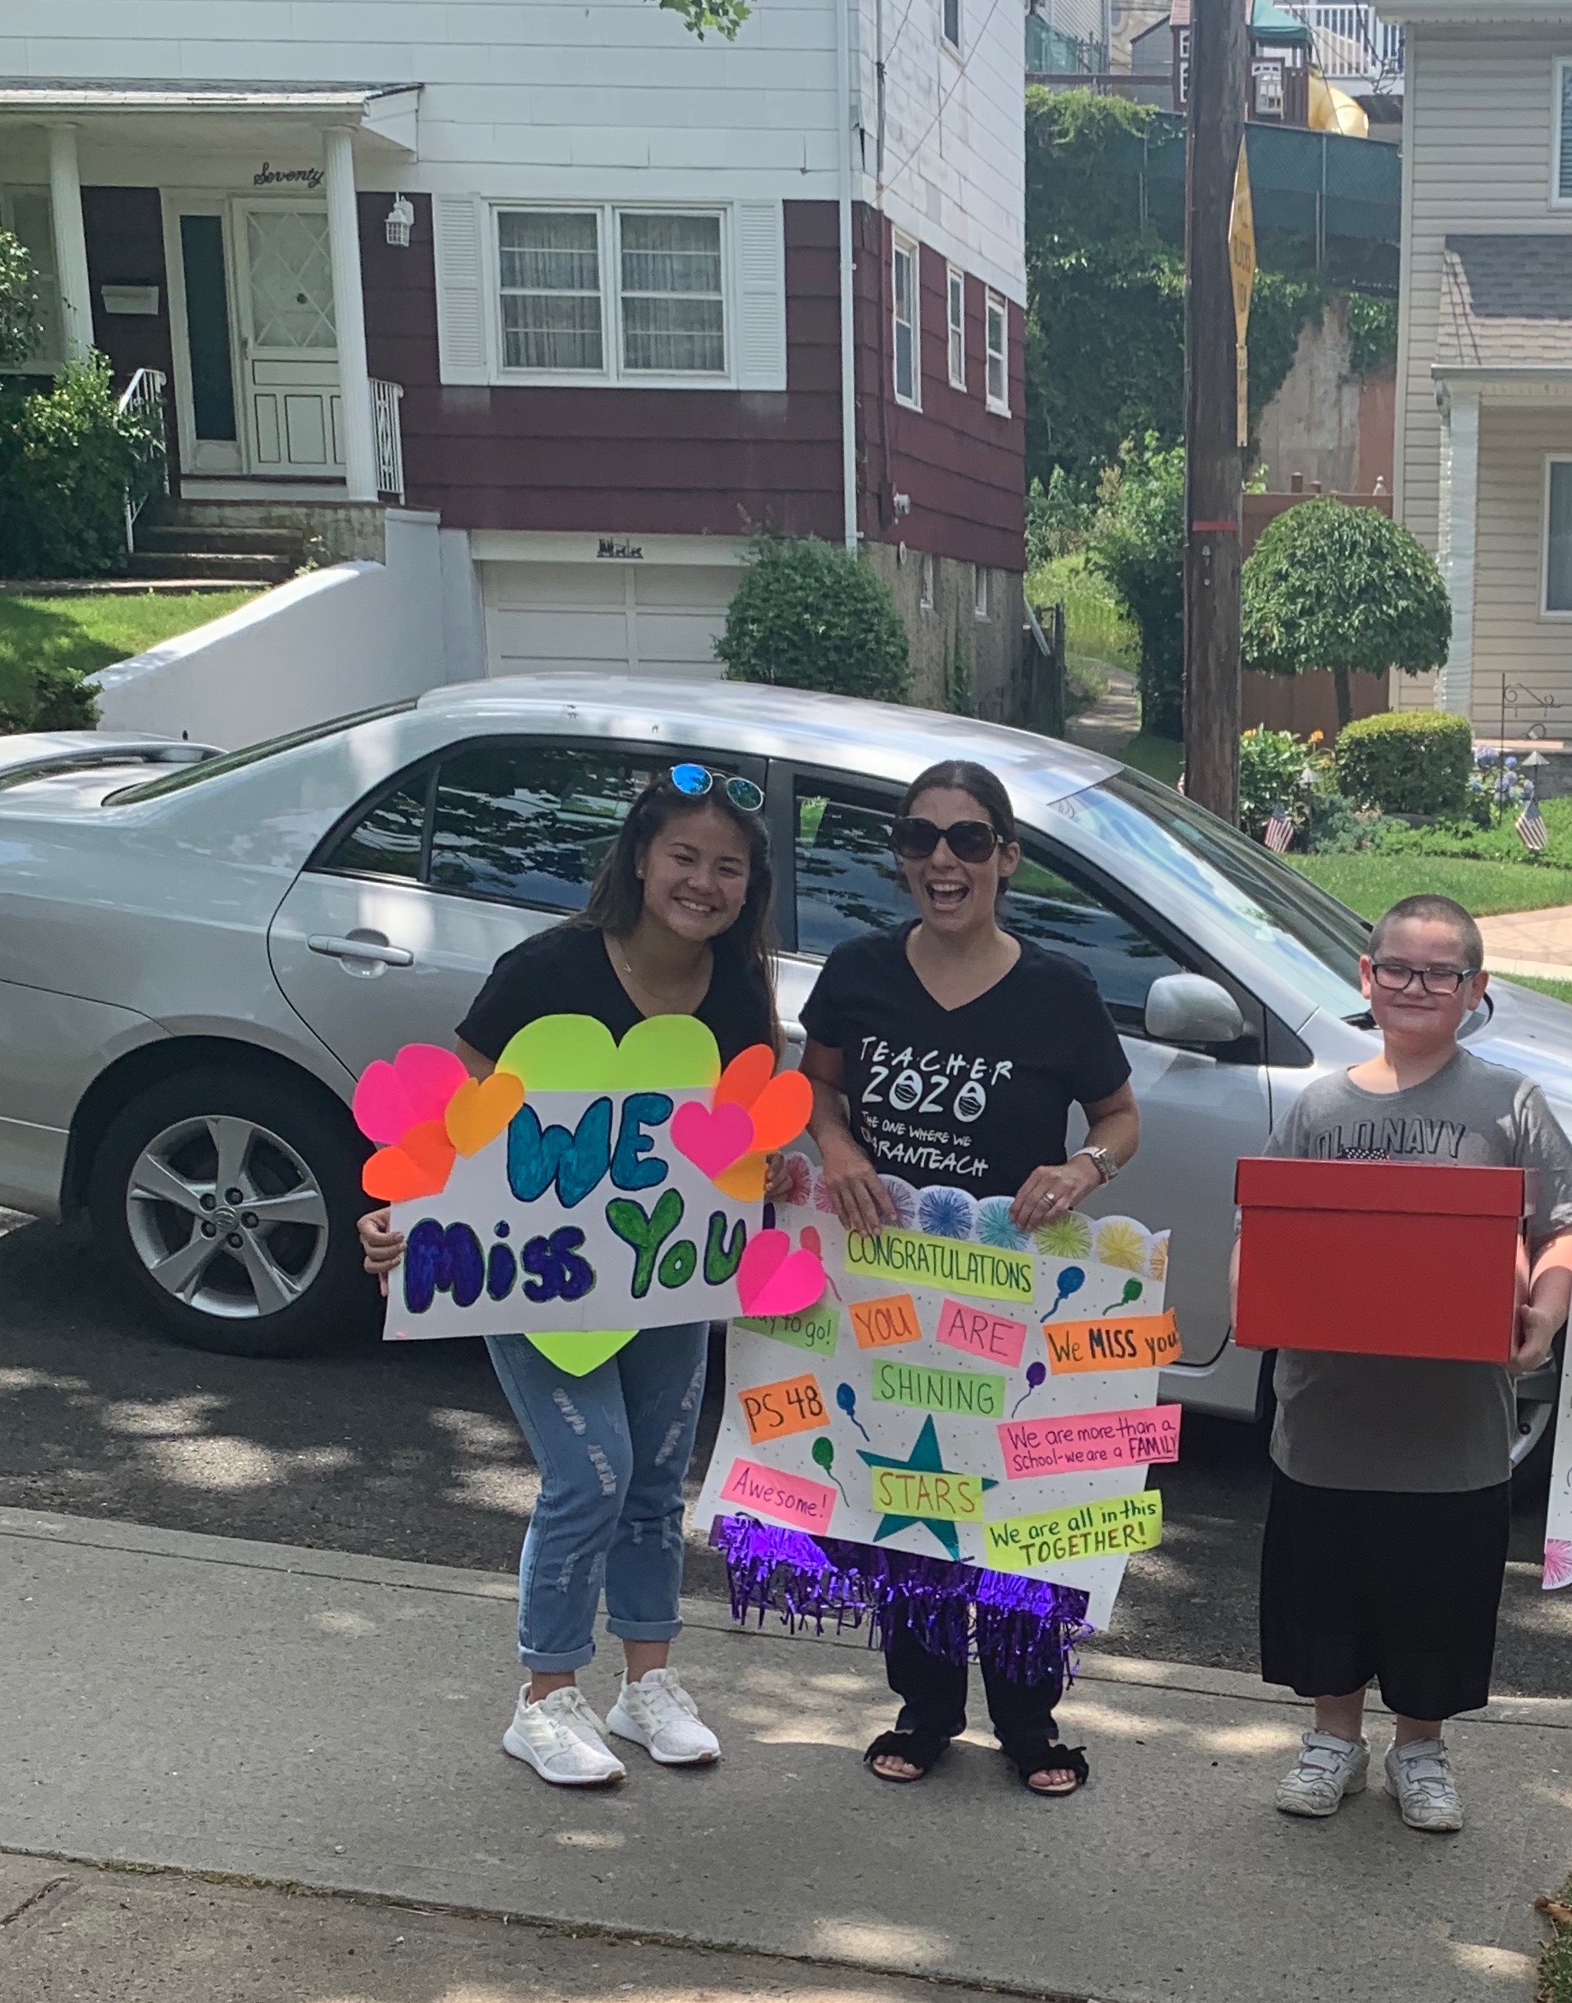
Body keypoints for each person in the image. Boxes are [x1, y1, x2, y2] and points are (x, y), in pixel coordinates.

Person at [359, 765, 781, 1788]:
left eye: (728, 867)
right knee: (587, 1477)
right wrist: (402, 1218)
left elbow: (740, 1131)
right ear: (639, 858)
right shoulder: (545, 970)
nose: (704, 882)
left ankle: (646, 1683)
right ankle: (544, 1699)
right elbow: (457, 1114)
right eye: (684, 856)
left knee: (650, 1483)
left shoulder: (736, 986)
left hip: (666, 1275)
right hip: (536, 1279)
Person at [797, 757, 1142, 1799]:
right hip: (884, 1291)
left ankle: (1033, 1725)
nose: (941, 859)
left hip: (1016, 1299)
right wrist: (841, 1148)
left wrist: (1085, 1168)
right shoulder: (856, 971)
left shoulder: (1057, 993)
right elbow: (812, 1089)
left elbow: (1121, 1119)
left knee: (1025, 1516)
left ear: (1007, 859)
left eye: (967, 840)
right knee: (913, 1505)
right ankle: (928, 1707)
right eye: (919, 839)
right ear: (900, 856)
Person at [1242, 893, 1572, 1834]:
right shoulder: (1318, 1104)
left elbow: (1560, 1230)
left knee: (1436, 1590)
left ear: (1474, 990)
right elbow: (1263, 1233)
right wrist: (1251, 1295)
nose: (1416, 986)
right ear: (1365, 976)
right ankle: (1331, 1739)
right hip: (1329, 1414)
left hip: (1454, 1422)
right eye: (1397, 967)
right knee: (1327, 1584)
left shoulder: (1509, 1103)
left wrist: (1545, 1315)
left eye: (1441, 973)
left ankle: (1419, 1749)